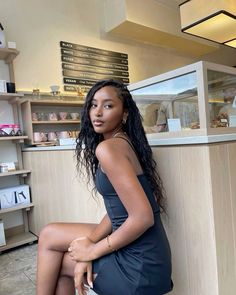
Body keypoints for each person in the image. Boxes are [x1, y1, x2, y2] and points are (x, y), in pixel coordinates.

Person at [36, 79, 173, 295]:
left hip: (139, 267)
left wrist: (92, 250)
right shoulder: (124, 142)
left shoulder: (108, 148)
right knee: (50, 234)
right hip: (150, 253)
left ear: (124, 113)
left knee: (60, 260)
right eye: (93, 104)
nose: (97, 112)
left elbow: (143, 217)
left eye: (108, 106)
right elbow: (121, 209)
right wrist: (89, 242)